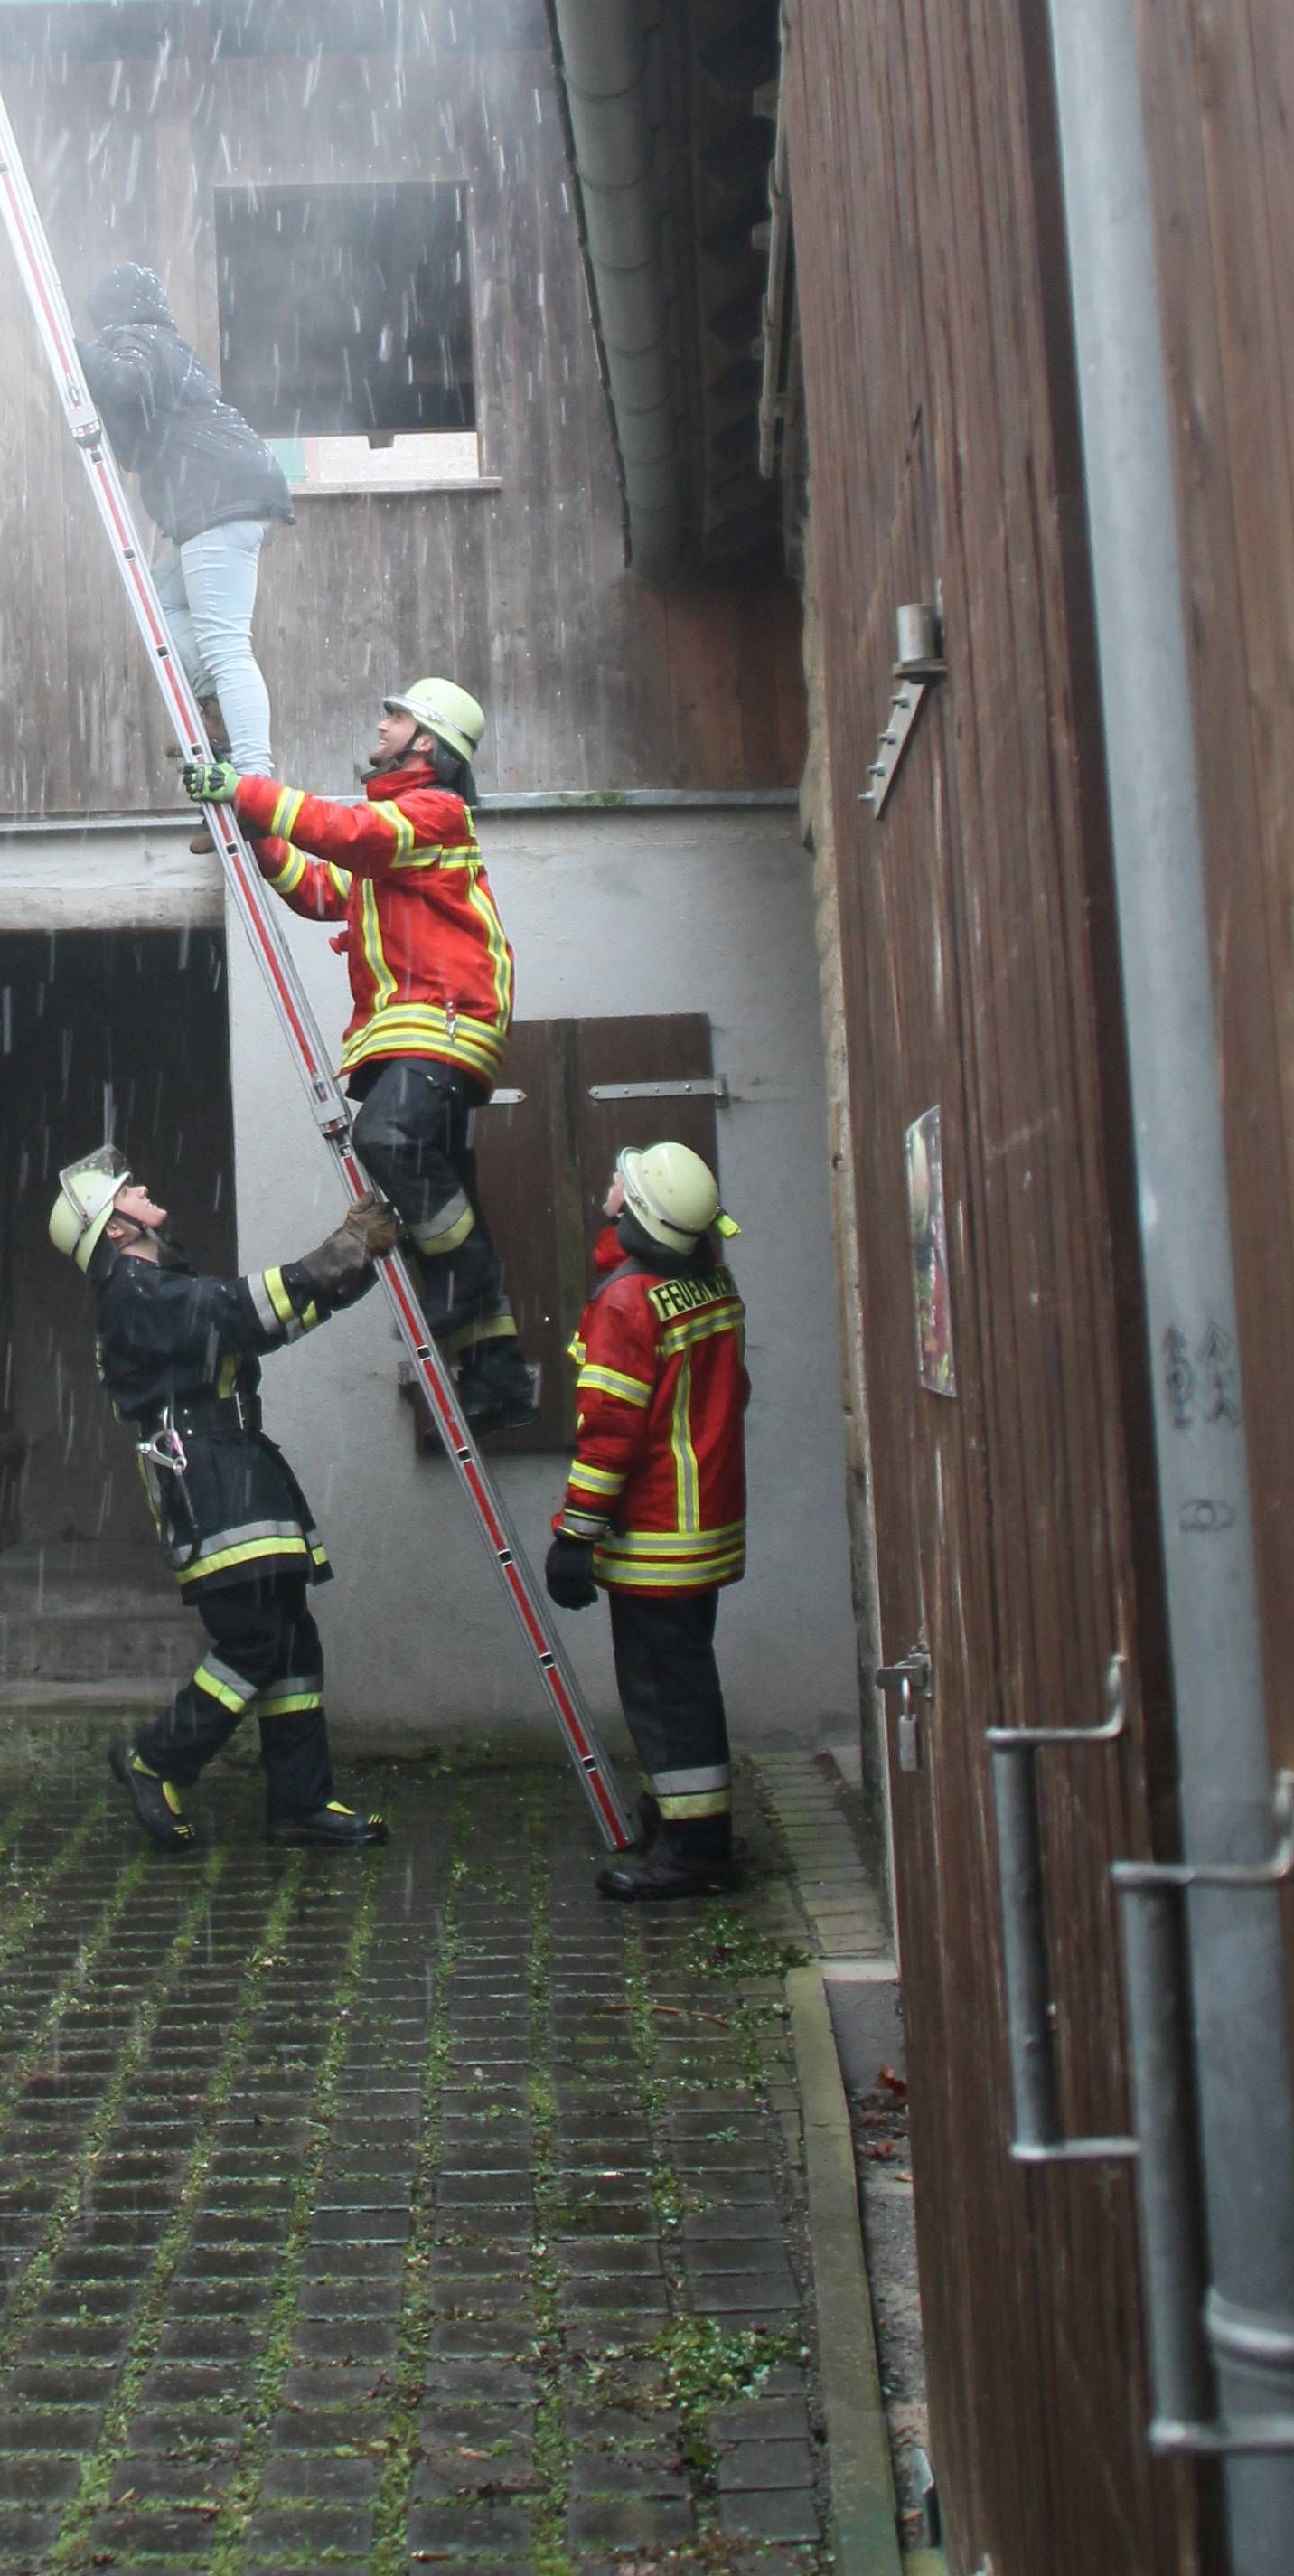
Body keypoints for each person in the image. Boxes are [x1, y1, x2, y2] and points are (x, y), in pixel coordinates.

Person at [183, 676, 537, 1434]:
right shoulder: (393, 832)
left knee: (388, 1140)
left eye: (396, 718)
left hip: (444, 1018)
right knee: (442, 1203)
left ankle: (470, 1281)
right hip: (416, 1026)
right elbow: (318, 888)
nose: (381, 726)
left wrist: (247, 791)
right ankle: (498, 1374)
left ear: (427, 743)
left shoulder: (432, 813)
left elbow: (348, 836)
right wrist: (258, 832)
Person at [49, 1142, 399, 1853]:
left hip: (232, 1466)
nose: (141, 1186)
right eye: (126, 1190)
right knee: (257, 1638)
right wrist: (341, 1251)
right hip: (208, 1475)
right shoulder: (135, 1293)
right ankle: (156, 1760)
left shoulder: (154, 1291)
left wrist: (351, 1266)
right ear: (115, 1228)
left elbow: (259, 1325)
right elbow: (239, 1308)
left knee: (289, 1636)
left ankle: (300, 1803)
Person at [542, 1140, 750, 1901]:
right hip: (704, 1524)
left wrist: (575, 1534)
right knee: (685, 1678)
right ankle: (682, 1817)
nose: (610, 1187)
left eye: (620, 1187)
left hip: (658, 1534)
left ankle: (696, 1852)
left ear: (637, 1214)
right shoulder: (710, 1281)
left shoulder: (628, 1301)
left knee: (667, 1694)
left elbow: (610, 1437)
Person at [76, 262, 294, 771]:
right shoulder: (165, 343)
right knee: (160, 601)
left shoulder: (137, 338)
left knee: (225, 644)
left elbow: (126, 383)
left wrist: (75, 352)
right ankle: (216, 711)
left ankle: (254, 775)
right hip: (226, 493)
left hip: (216, 497)